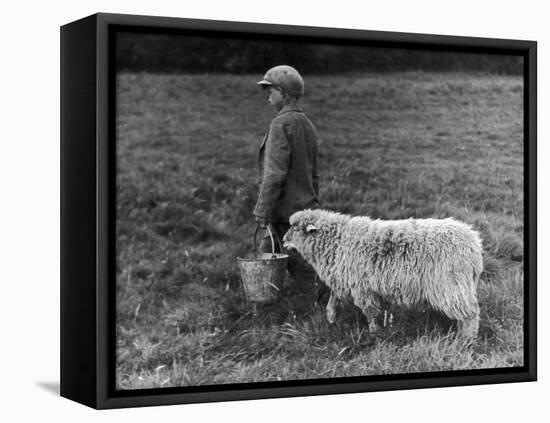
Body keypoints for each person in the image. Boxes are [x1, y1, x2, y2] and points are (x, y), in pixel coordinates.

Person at [253, 65, 322, 307]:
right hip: (304, 210)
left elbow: (274, 175)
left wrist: (262, 210)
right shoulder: (307, 125)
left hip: (283, 213)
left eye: (270, 90)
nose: (267, 95)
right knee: (299, 263)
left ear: (283, 92)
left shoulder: (280, 125)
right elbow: (314, 175)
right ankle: (316, 309)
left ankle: (267, 311)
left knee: (270, 264)